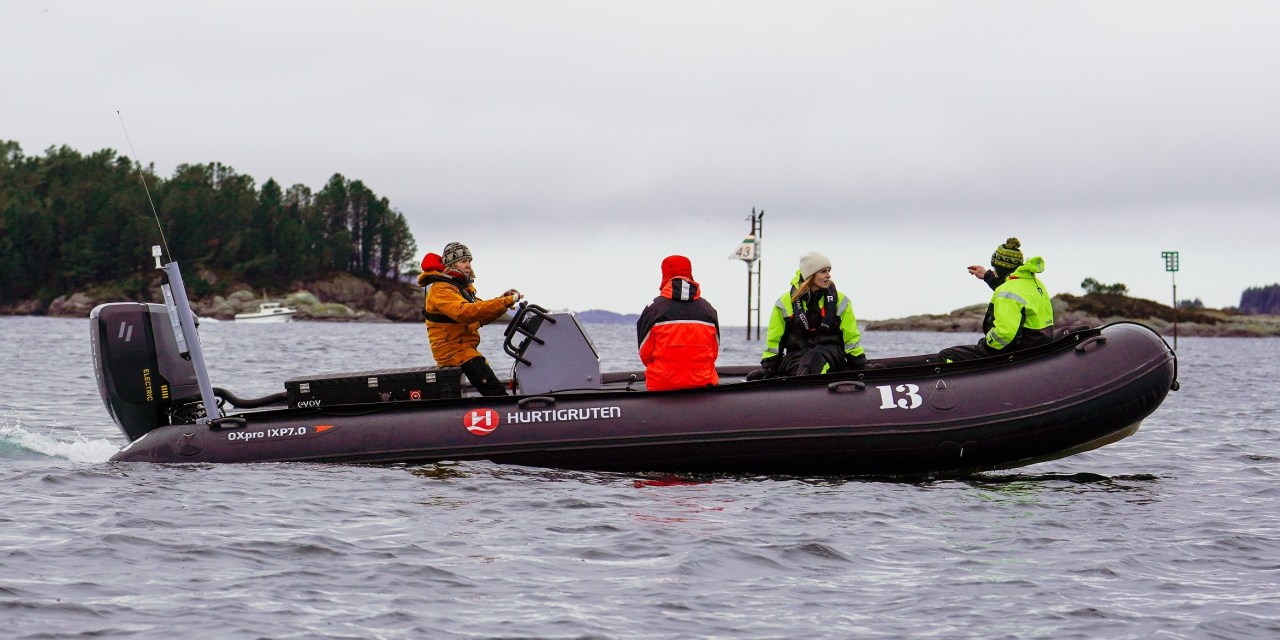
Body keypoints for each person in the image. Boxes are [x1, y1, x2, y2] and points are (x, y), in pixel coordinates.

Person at [418, 242, 522, 396]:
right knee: (495, 391)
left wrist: (503, 302)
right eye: (463, 261)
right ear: (451, 264)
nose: (468, 265)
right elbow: (465, 313)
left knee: (490, 382)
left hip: (465, 349)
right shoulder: (441, 289)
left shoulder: (459, 287)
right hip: (453, 352)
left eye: (469, 261)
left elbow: (479, 316)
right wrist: (504, 301)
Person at [939, 237, 1054, 362]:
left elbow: (1005, 335)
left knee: (947, 355)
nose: (994, 271)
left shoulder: (1008, 291)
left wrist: (984, 345)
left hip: (1018, 353)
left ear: (1000, 268)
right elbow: (1011, 287)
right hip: (1037, 346)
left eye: (994, 267)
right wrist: (986, 276)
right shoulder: (1034, 283)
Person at [758, 251, 868, 377]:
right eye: (823, 271)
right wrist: (768, 368)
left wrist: (860, 364)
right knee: (811, 359)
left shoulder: (841, 300)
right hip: (796, 358)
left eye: (829, 271)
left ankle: (805, 385)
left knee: (816, 356)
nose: (828, 275)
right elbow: (774, 340)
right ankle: (807, 384)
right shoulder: (784, 302)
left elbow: (851, 337)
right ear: (810, 274)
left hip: (831, 356)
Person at [636, 255, 720, 391]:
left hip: (661, 386)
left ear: (664, 274)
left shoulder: (653, 309)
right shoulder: (709, 310)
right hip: (703, 384)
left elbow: (645, 354)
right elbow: (714, 351)